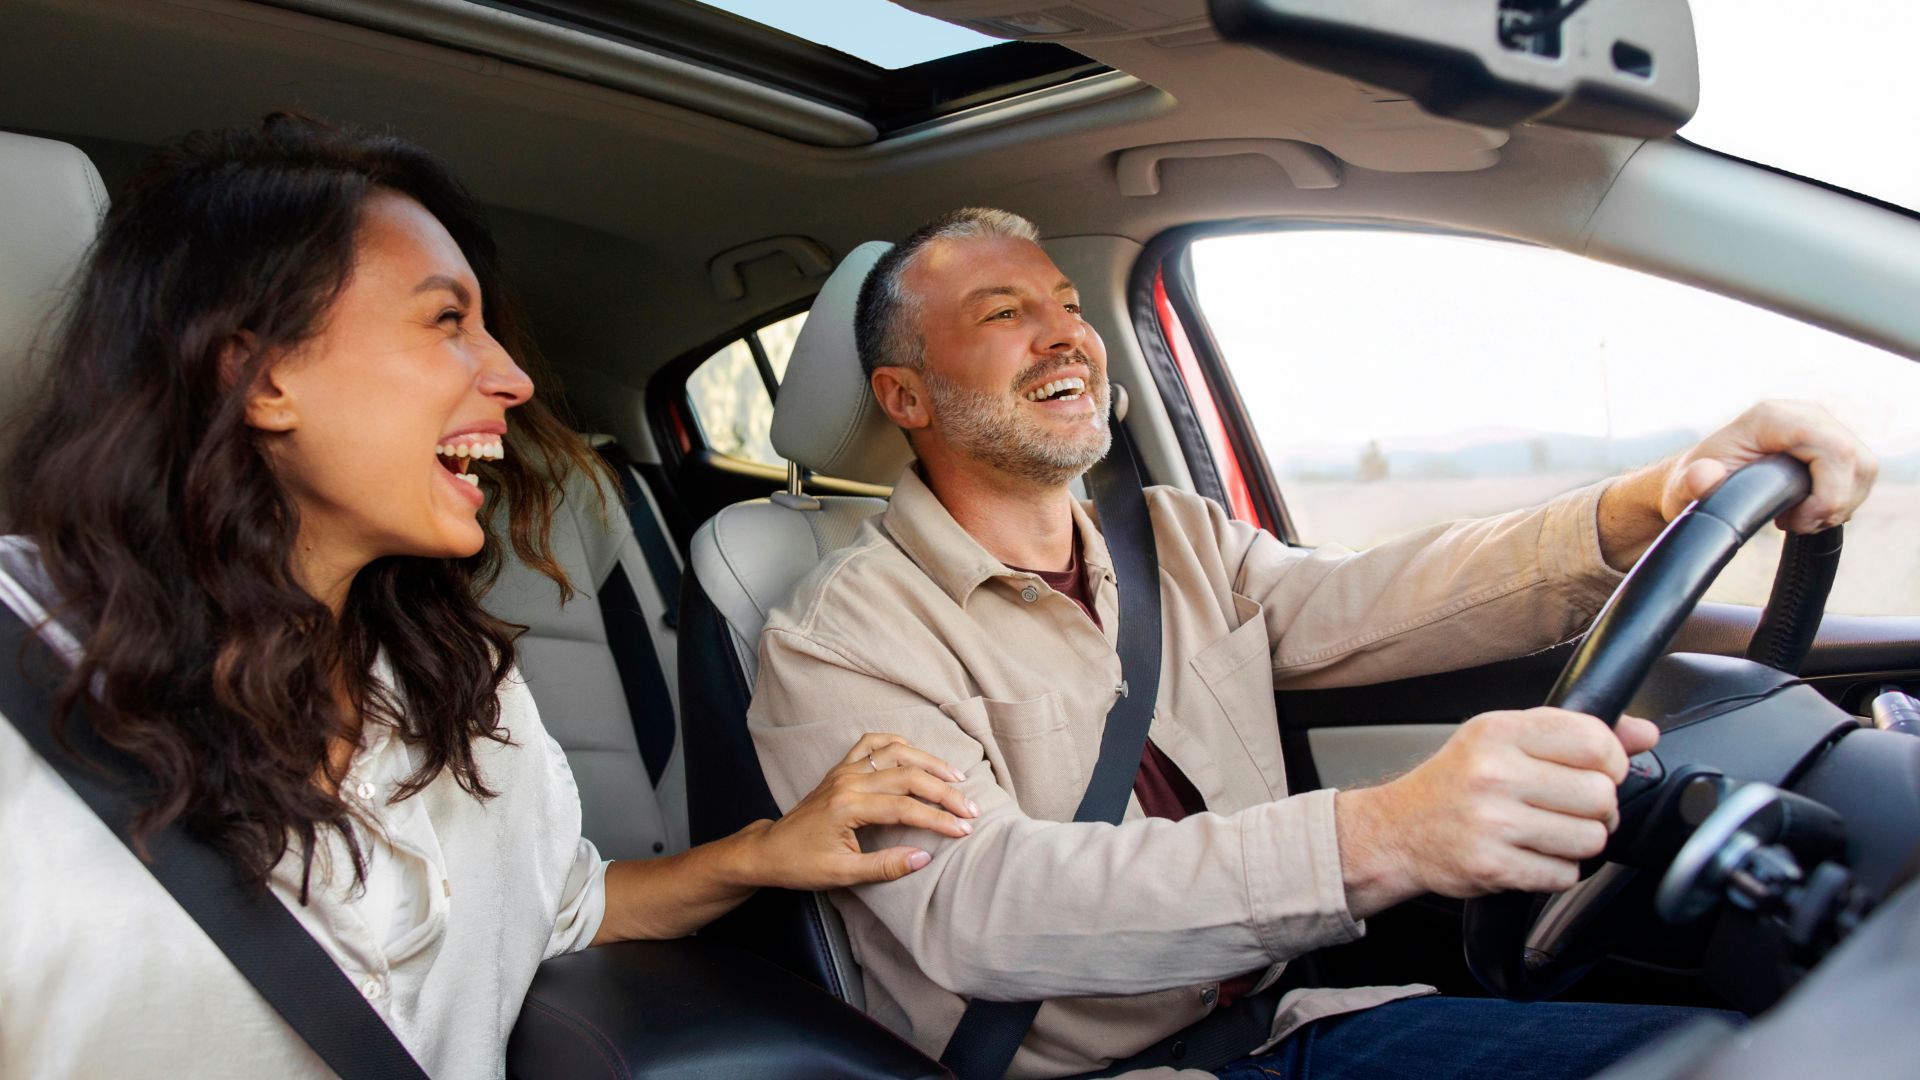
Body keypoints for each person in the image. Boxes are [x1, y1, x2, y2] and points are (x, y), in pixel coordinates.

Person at [745, 208, 1878, 1079]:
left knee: (1761, 1055)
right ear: (905, 396)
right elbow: (984, 906)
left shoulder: (1174, 538)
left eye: (1068, 304)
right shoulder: (841, 636)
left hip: (1298, 1023)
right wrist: (1384, 835)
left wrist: (1646, 504)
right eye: (1003, 313)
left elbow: (1379, 596)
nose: (1066, 335)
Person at [0, 117, 976, 1078]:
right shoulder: (25, 685)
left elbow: (565, 908)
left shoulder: (465, 686)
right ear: (259, 377)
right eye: (446, 322)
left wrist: (766, 851)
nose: (512, 378)